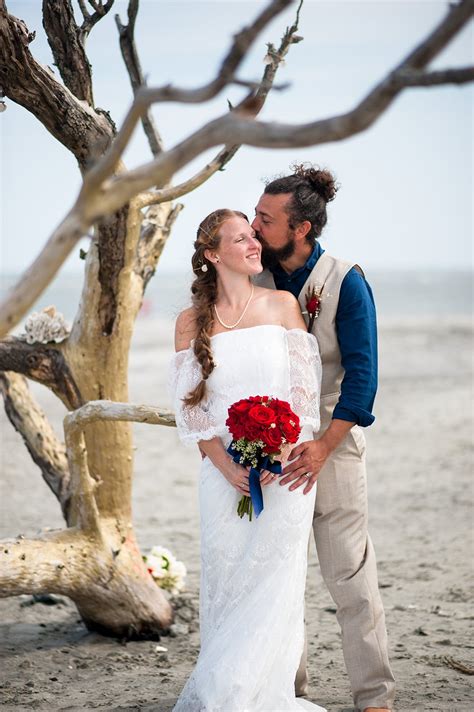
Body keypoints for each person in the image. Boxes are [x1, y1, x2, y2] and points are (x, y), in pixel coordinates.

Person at [251, 164, 395, 712]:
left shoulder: (345, 280)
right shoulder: (253, 275)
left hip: (332, 449)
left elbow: (363, 375)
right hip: (269, 452)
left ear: (303, 227)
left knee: (351, 579)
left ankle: (375, 698)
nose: (256, 225)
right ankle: (289, 695)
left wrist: (324, 445)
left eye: (267, 219)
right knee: (280, 582)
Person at [170, 208, 327, 711]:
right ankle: (222, 696)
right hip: (224, 478)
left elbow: (305, 392)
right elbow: (191, 411)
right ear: (213, 255)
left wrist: (277, 451)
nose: (253, 244)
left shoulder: (282, 304)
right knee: (228, 580)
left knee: (275, 584)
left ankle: (260, 695)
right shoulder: (190, 322)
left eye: (251, 236)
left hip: (285, 473)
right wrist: (226, 465)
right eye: (239, 240)